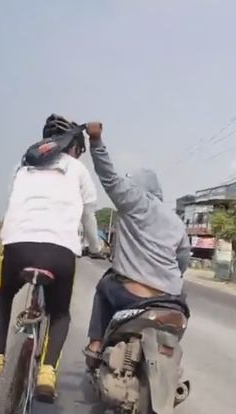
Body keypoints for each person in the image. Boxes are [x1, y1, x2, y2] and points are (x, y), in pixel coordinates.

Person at [0, 114, 102, 402]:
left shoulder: (23, 165)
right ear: (75, 147)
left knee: (3, 294)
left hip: (17, 246)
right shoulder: (77, 170)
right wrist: (96, 248)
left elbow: (15, 201)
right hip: (60, 252)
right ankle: (48, 371)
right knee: (59, 313)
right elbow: (88, 217)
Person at [81, 122, 191, 368]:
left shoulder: (133, 201)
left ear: (137, 188)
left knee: (104, 286)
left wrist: (96, 141)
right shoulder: (176, 220)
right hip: (173, 300)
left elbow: (108, 176)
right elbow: (183, 258)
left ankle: (96, 345)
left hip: (133, 296)